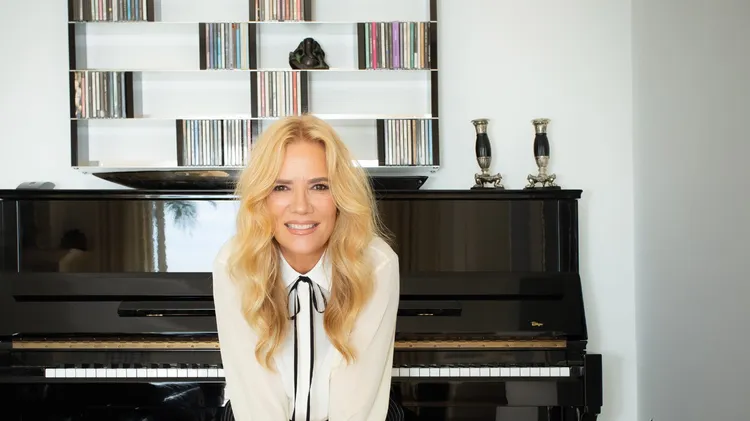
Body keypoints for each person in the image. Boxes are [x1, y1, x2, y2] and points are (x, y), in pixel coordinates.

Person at [212, 115, 403, 421]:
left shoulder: (376, 265)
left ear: (340, 195)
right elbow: (257, 399)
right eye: (281, 187)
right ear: (261, 197)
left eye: (319, 186)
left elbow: (356, 402)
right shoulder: (235, 264)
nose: (301, 206)